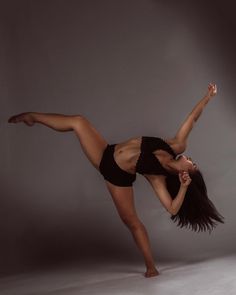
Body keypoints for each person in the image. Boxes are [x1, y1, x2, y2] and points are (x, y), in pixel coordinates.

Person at [8, 83, 224, 278]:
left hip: (114, 172)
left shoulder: (158, 176)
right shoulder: (176, 146)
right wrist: (207, 97)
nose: (191, 159)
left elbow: (173, 209)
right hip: (107, 150)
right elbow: (192, 120)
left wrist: (185, 189)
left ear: (186, 174)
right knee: (78, 121)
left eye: (193, 164)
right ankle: (33, 117)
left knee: (132, 222)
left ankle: (151, 267)